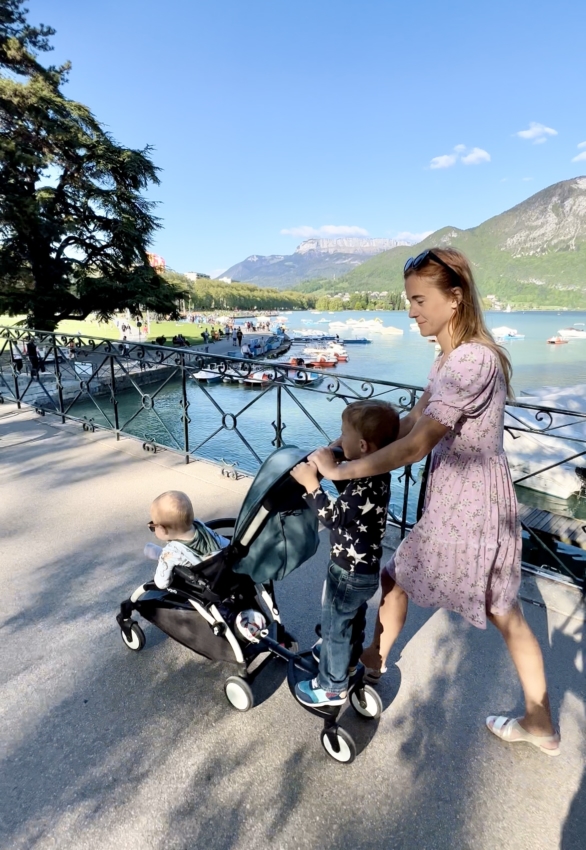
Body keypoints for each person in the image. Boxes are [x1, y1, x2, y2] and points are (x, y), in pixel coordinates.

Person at [310, 247, 560, 754]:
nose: (410, 311)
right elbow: (406, 428)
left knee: (499, 609)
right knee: (407, 580)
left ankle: (538, 719)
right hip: (457, 499)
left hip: (470, 505)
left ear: (456, 297)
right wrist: (346, 445)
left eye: (419, 299)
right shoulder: (448, 359)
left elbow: (415, 446)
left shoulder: (472, 361)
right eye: (409, 299)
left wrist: (340, 470)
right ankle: (374, 660)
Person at [290, 400, 400, 707]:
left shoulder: (361, 484)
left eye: (343, 435)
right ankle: (348, 662)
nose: (339, 440)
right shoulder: (377, 473)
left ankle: (331, 687)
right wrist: (336, 464)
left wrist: (312, 484)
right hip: (365, 570)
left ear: (362, 445)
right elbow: (352, 507)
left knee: (335, 626)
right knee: (352, 619)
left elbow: (332, 516)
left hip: (347, 571)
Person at [145, 491, 229, 590]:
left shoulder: (172, 552)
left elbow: (161, 583)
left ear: (163, 530)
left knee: (162, 555)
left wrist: (164, 557)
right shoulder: (199, 525)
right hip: (224, 566)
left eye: (152, 525)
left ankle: (159, 554)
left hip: (207, 582)